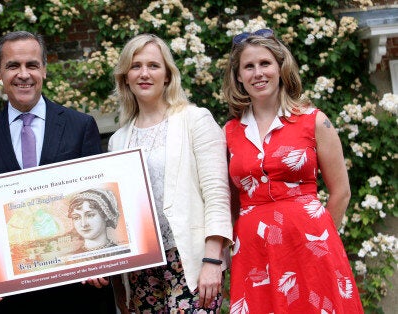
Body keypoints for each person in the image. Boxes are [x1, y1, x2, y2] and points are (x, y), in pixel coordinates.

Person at [0, 31, 116, 314]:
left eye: (32, 65)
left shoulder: (80, 126)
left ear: (44, 69)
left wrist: (99, 261)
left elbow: (97, 196)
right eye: (12, 66)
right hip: (12, 298)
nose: (23, 74)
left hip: (78, 292)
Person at [222, 29, 364, 313]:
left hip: (310, 246)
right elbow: (231, 202)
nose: (258, 73)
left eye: (265, 63)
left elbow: (341, 192)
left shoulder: (314, 121)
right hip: (253, 251)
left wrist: (318, 237)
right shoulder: (228, 133)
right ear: (238, 76)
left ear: (280, 67)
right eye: (248, 66)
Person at [108, 34, 233, 313]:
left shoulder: (195, 120)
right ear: (125, 77)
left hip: (191, 259)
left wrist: (213, 260)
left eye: (153, 65)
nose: (144, 73)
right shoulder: (118, 140)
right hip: (142, 268)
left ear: (167, 75)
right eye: (135, 66)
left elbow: (216, 194)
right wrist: (118, 282)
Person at [68, 188, 121, 252]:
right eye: (76, 218)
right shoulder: (73, 257)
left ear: (105, 215)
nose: (83, 224)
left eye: (90, 215)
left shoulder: (121, 252)